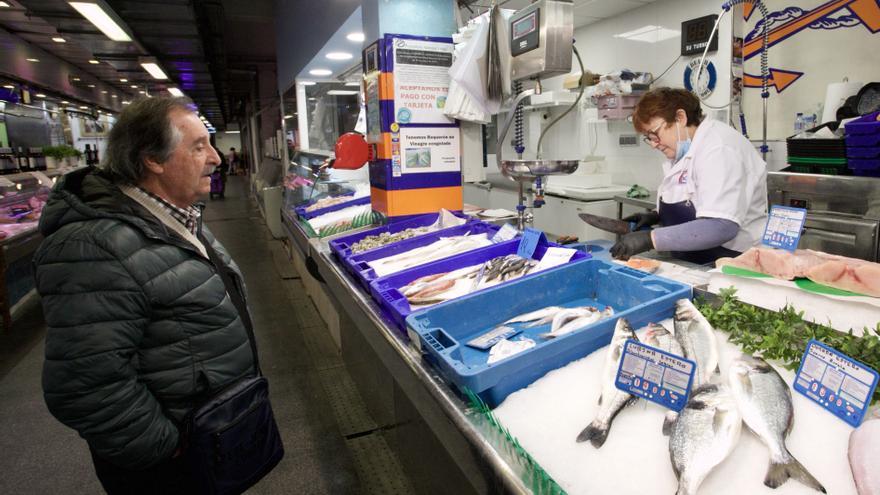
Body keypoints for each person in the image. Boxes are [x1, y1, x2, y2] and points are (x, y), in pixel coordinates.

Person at [34, 97, 274, 493]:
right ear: (152, 159)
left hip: (211, 436)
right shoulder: (95, 246)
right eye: (198, 146)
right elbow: (84, 386)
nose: (215, 158)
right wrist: (167, 449)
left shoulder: (173, 217)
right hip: (169, 467)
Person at [611, 87, 768, 264]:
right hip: (696, 259)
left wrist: (651, 239)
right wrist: (657, 215)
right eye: (649, 138)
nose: (654, 144)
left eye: (655, 134)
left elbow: (722, 226)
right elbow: (693, 197)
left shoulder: (719, 148)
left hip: (732, 261)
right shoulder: (684, 150)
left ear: (680, 118)